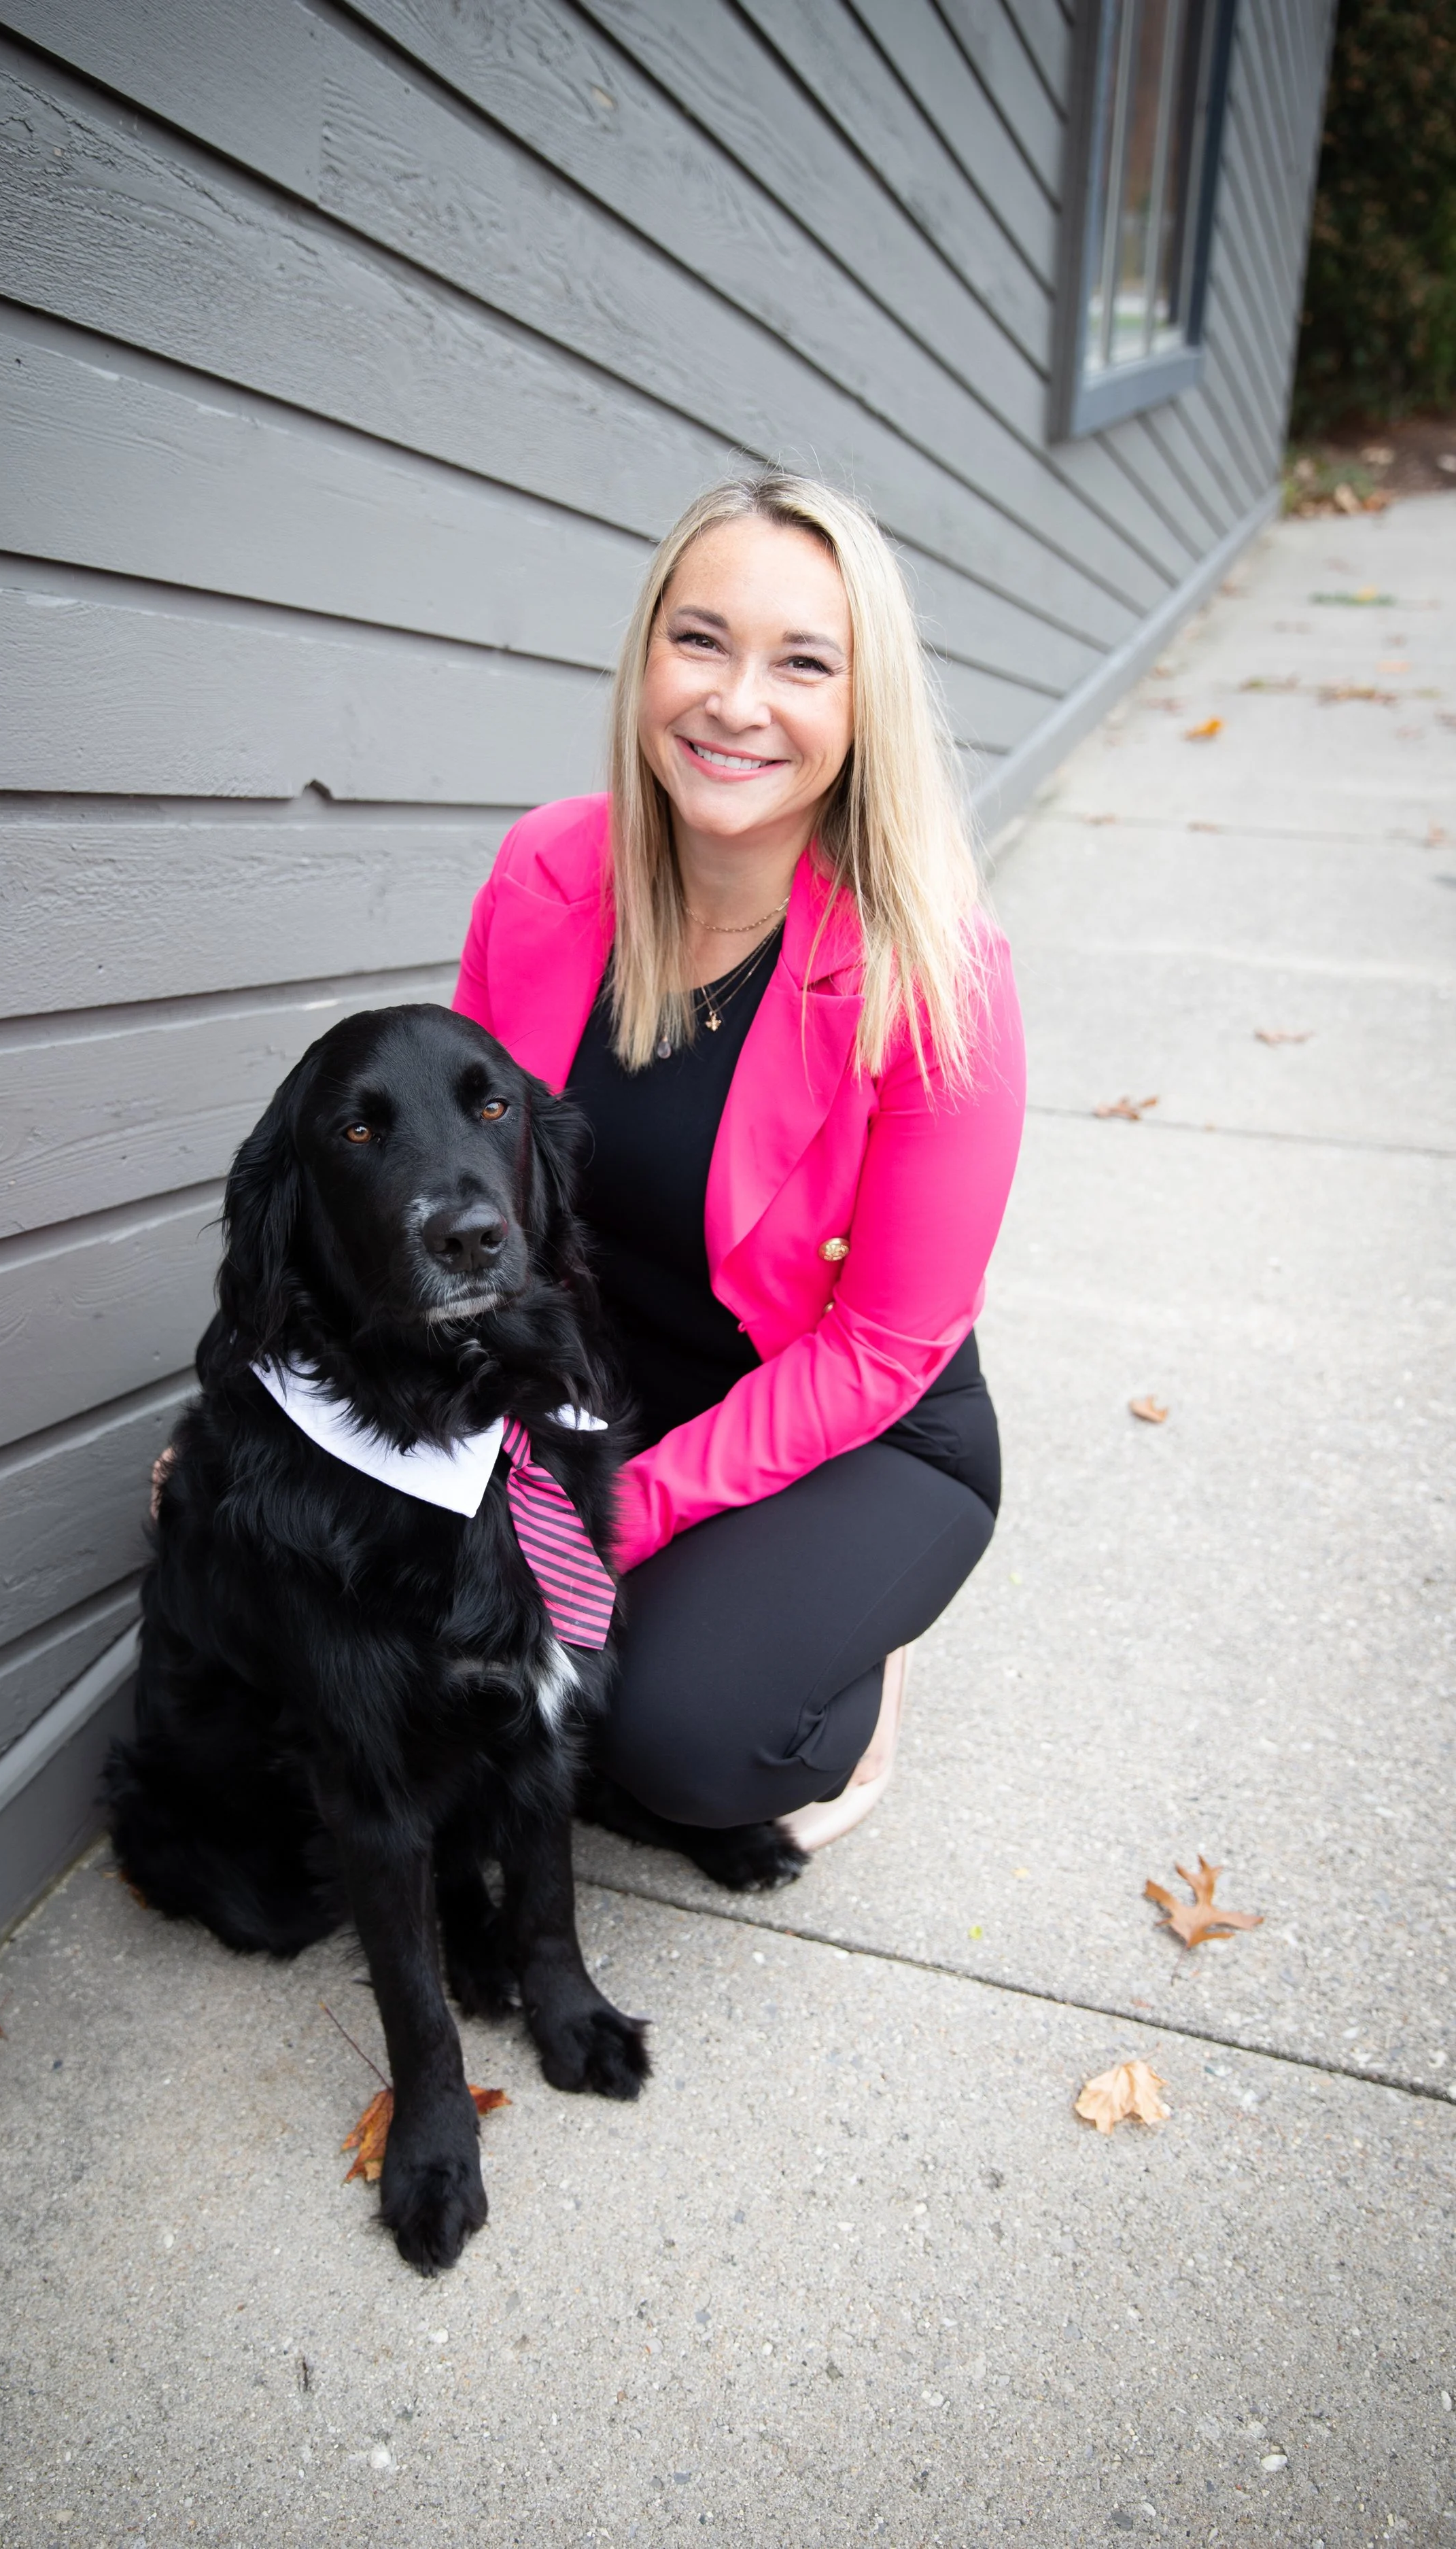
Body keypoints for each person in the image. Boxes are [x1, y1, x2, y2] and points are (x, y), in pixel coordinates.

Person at [453, 470, 1025, 1883]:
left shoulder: (931, 969)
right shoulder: (545, 871)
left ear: (860, 706)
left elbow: (885, 1345)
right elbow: (456, 1194)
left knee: (684, 1750)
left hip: (856, 1426)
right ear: (646, 656)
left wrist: (600, 1518)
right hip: (603, 1387)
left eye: (801, 663)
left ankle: (855, 1669)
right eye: (698, 640)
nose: (732, 701)